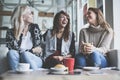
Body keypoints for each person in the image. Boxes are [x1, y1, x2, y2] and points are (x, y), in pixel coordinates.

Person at [6, 5, 43, 70]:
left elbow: (38, 49)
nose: (32, 15)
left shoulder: (35, 28)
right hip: (19, 58)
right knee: (11, 53)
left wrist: (27, 52)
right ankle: (15, 77)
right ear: (23, 17)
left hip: (34, 59)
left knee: (25, 54)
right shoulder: (10, 32)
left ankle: (35, 76)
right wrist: (32, 50)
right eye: (30, 13)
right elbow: (14, 50)